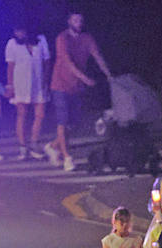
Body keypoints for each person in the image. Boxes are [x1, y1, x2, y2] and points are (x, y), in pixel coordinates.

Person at [46, 11, 111, 171]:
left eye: (80, 20)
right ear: (69, 21)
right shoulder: (62, 38)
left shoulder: (87, 38)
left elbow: (97, 56)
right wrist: (85, 78)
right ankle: (67, 157)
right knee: (62, 121)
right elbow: (67, 63)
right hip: (60, 84)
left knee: (74, 124)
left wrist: (109, 74)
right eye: (75, 20)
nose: (78, 23)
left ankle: (53, 146)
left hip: (76, 87)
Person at [4, 24, 51, 159]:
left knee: (40, 114)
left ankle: (34, 142)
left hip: (38, 83)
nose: (18, 34)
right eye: (16, 31)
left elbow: (47, 61)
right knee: (22, 114)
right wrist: (10, 86)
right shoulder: (12, 44)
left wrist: (46, 80)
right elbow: (10, 66)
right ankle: (22, 146)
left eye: (21, 30)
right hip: (20, 84)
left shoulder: (41, 40)